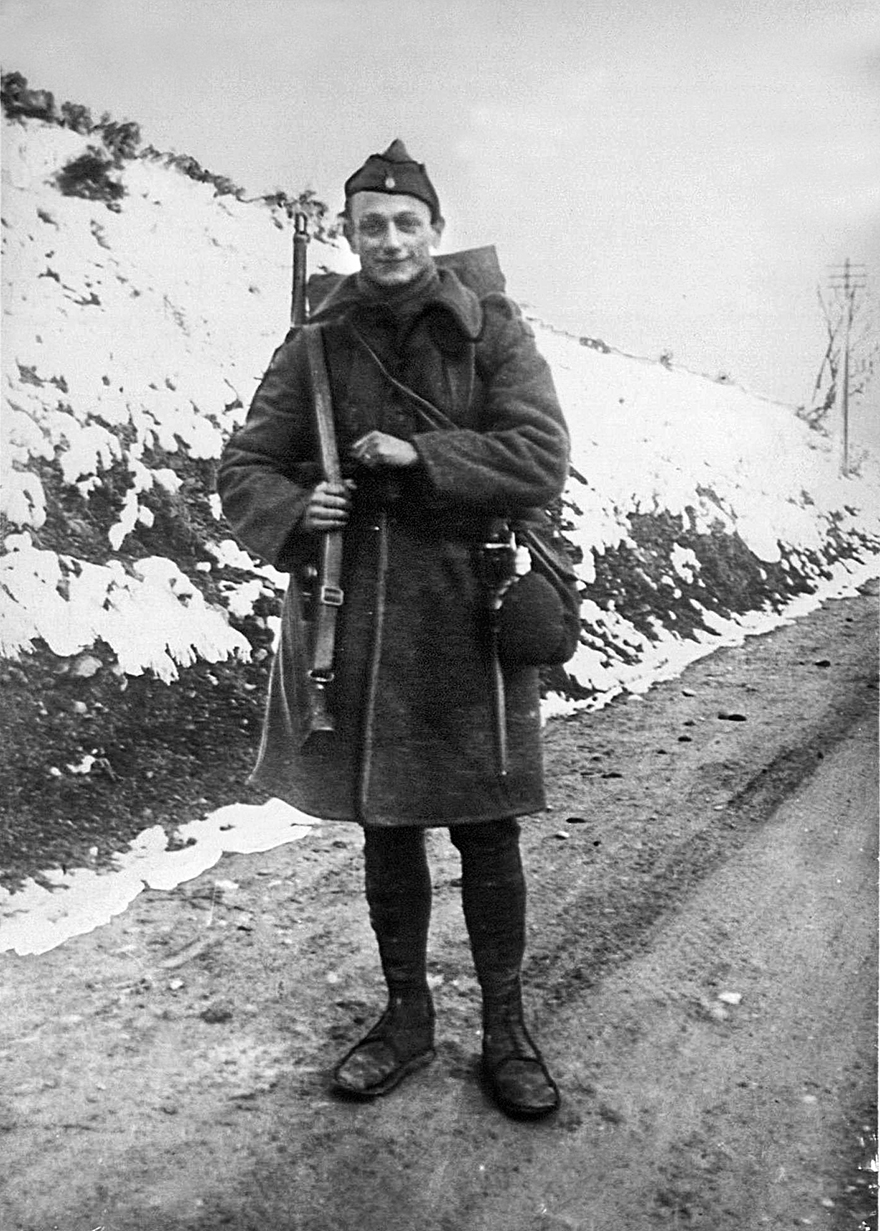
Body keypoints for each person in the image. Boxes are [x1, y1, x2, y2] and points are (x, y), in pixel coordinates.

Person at [217, 140, 570, 1119]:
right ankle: (407, 1017)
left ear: (436, 231)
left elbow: (539, 456)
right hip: (359, 618)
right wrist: (299, 508)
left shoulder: (492, 329)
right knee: (387, 823)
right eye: (369, 225)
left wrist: (422, 455)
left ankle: (506, 1029)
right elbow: (244, 466)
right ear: (348, 234)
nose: (389, 240)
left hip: (466, 612)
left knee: (487, 828)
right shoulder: (315, 344)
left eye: (406, 222)